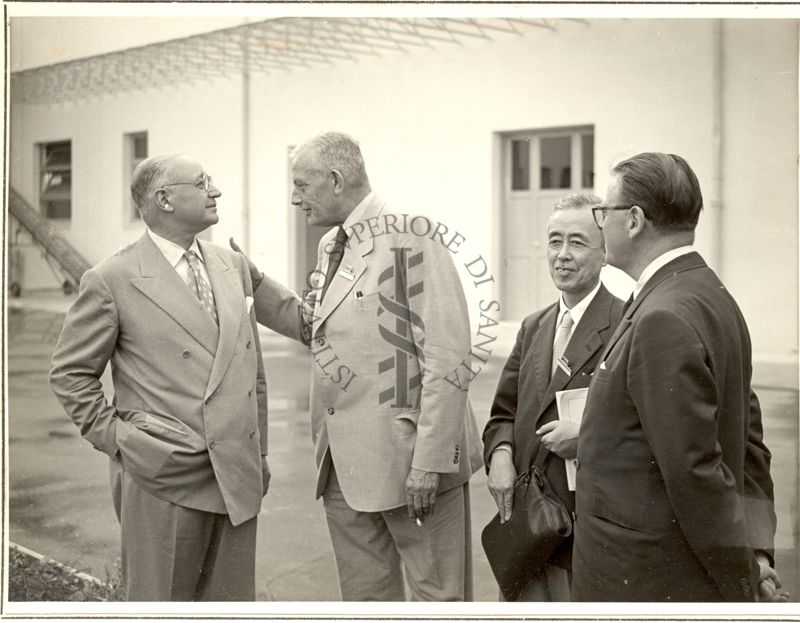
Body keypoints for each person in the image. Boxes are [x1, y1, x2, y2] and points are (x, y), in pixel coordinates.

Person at [242, 131, 483, 601]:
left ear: (334, 180)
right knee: (366, 602)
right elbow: (320, 330)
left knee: (440, 601)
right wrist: (250, 281)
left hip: (411, 463)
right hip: (342, 466)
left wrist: (429, 463)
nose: (294, 199)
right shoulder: (333, 244)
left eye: (301, 185)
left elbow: (448, 355)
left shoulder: (413, 236)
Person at [49, 153, 297, 600]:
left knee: (230, 606)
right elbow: (71, 374)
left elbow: (250, 371)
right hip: (163, 477)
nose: (215, 191)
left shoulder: (232, 265)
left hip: (237, 475)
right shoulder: (113, 278)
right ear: (164, 198)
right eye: (203, 183)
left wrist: (257, 454)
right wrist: (125, 441)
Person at [573, 152, 780, 601]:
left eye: (602, 212)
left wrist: (744, 577)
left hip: (645, 578)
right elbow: (749, 445)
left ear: (633, 220)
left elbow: (696, 472)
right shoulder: (708, 293)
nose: (599, 224)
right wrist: (758, 553)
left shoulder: (662, 314)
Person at [483, 193, 624, 601]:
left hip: (583, 535)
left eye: (577, 242)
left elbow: (646, 429)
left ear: (605, 252)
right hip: (526, 530)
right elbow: (502, 414)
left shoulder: (626, 323)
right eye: (554, 240)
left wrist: (586, 434)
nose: (562, 255)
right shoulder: (534, 326)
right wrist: (501, 456)